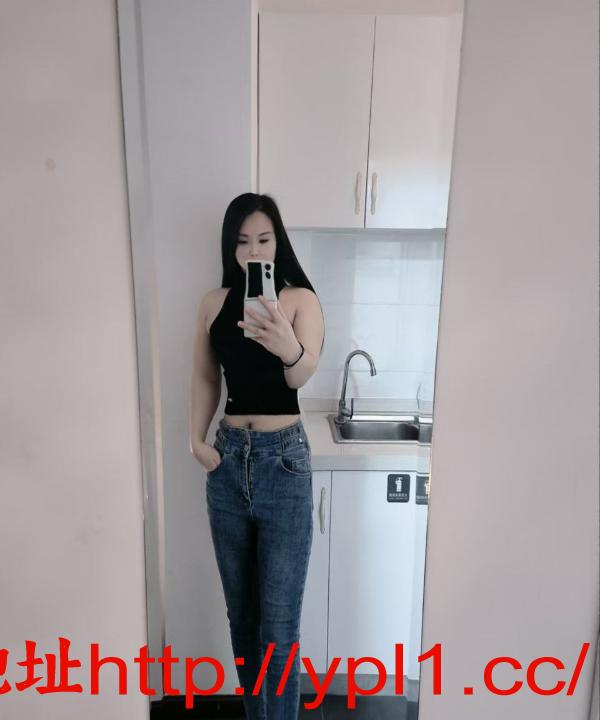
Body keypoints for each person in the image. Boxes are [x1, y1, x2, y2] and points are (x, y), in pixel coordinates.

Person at [189, 192, 325, 720]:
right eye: (242, 241)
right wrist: (195, 441)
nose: (253, 251)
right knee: (242, 618)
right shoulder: (213, 303)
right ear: (230, 246)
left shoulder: (299, 301)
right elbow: (205, 376)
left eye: (264, 240)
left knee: (280, 626)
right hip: (226, 461)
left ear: (278, 242)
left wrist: (286, 344)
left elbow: (299, 376)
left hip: (283, 462)